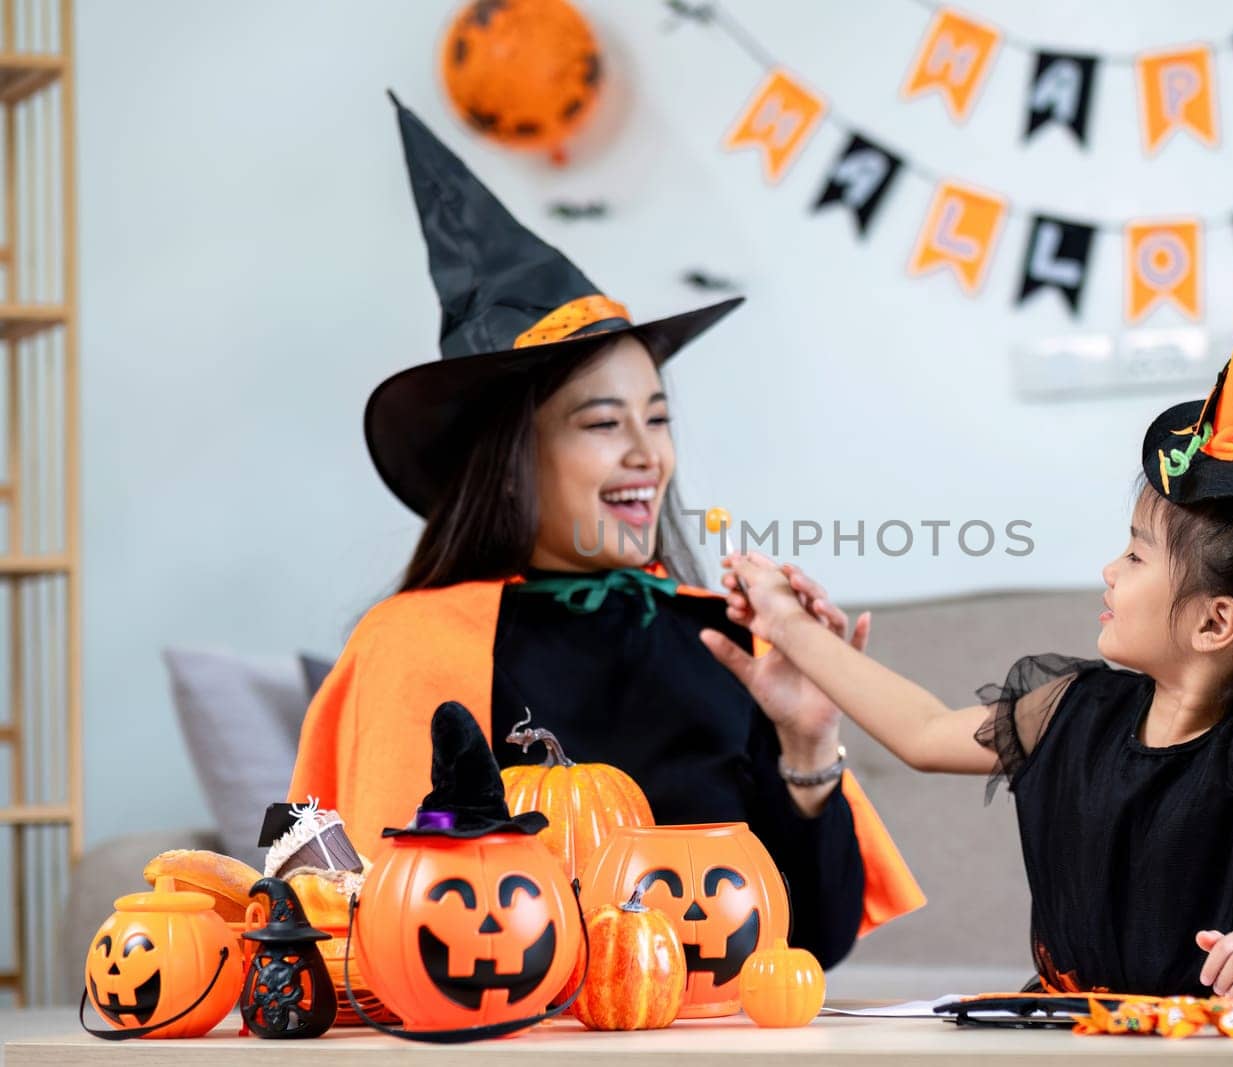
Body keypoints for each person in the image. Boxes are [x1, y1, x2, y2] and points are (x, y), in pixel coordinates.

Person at [288, 95, 923, 971]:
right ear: (513, 458)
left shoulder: (726, 640)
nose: (645, 455)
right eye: (600, 423)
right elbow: (377, 938)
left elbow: (811, 940)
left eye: (656, 419)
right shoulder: (415, 646)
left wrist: (808, 744)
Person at [714, 276, 1233, 1006]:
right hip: (1071, 1036)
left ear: (1215, 622)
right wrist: (788, 625)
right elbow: (923, 731)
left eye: (1137, 554)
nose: (1109, 571)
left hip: (1203, 1048)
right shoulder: (1070, 712)